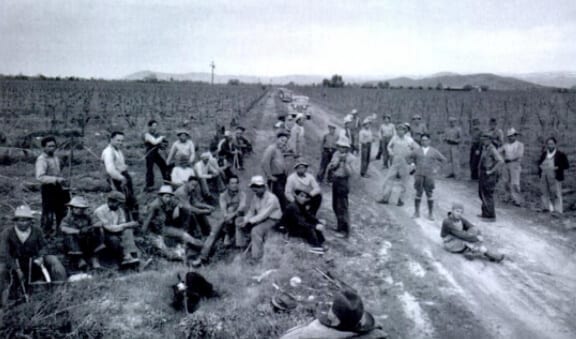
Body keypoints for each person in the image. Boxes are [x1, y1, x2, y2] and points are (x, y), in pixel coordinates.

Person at [0, 206, 67, 308]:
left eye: (26, 220)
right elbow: (4, 253)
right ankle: (7, 299)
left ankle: (60, 289)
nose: (23, 223)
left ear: (31, 221)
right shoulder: (7, 233)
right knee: (1, 269)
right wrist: (16, 268)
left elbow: (44, 246)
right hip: (14, 263)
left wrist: (40, 256)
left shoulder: (37, 231)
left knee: (53, 260)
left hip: (33, 261)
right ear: (15, 221)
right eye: (20, 220)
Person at [191, 175, 246, 267]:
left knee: (232, 212)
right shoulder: (223, 195)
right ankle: (202, 257)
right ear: (228, 184)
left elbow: (241, 208)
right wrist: (226, 217)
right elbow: (223, 209)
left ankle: (238, 252)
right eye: (232, 183)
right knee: (214, 231)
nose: (234, 185)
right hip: (226, 218)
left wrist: (230, 215)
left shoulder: (242, 194)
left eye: (236, 183)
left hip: (238, 216)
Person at [280, 289, 376, 339]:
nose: (330, 305)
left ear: (334, 318)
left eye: (332, 307)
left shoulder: (311, 333)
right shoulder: (373, 332)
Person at [142, 185, 204, 261]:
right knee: (166, 251)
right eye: (166, 196)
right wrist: (145, 236)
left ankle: (203, 247)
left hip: (166, 228)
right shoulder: (154, 206)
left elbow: (180, 204)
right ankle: (180, 256)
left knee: (185, 236)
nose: (168, 199)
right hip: (156, 232)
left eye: (169, 196)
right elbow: (146, 222)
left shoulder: (170, 201)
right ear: (161, 196)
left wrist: (178, 207)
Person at [236, 176, 282, 263]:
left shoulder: (272, 198)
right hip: (260, 219)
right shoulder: (255, 197)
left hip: (273, 221)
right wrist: (245, 219)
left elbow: (263, 215)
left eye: (258, 187)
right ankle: (241, 248)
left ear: (264, 187)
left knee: (256, 230)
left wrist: (249, 221)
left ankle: (256, 257)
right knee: (239, 221)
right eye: (254, 187)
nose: (255, 189)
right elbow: (251, 211)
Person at [94, 191, 140, 266]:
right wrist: (127, 225)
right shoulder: (100, 211)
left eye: (120, 204)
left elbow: (122, 223)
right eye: (118, 203)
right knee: (114, 239)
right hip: (103, 234)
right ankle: (124, 258)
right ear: (110, 201)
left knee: (128, 231)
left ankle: (133, 256)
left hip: (116, 231)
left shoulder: (119, 210)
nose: (119, 206)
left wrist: (128, 225)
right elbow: (109, 227)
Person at [35, 136, 70, 235]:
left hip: (58, 188)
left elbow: (57, 172)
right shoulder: (41, 160)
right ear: (43, 147)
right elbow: (40, 177)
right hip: (48, 188)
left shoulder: (55, 157)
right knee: (48, 212)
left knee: (62, 210)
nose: (52, 148)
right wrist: (56, 179)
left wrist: (62, 180)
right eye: (49, 146)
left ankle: (60, 231)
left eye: (54, 146)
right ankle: (46, 233)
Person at [377, 124, 418, 206]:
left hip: (404, 162)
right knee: (389, 179)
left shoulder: (409, 140)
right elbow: (389, 146)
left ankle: (400, 199)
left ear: (405, 131)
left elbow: (417, 149)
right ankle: (385, 198)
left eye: (402, 130)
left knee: (404, 181)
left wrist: (412, 160)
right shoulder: (394, 138)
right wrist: (391, 153)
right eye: (399, 130)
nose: (400, 131)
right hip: (395, 161)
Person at [60, 196, 106, 270]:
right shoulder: (67, 219)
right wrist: (78, 231)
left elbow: (99, 223)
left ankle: (94, 259)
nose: (79, 210)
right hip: (74, 243)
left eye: (82, 208)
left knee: (98, 231)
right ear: (72, 208)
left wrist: (90, 228)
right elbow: (63, 228)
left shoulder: (88, 216)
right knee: (69, 236)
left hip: (88, 241)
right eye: (77, 208)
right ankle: (79, 260)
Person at [101, 131, 138, 221]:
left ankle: (133, 222)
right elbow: (110, 170)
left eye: (122, 141)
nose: (120, 143)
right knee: (121, 201)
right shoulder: (108, 151)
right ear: (111, 139)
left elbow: (120, 164)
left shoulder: (118, 150)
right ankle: (122, 222)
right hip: (116, 180)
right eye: (118, 140)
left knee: (131, 200)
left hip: (123, 177)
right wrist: (121, 178)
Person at [409, 134, 447, 220]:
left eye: (426, 140)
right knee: (418, 192)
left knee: (429, 193)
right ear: (420, 141)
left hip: (429, 175)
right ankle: (416, 212)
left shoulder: (434, 151)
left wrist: (437, 169)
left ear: (429, 141)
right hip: (418, 174)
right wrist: (412, 165)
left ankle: (431, 214)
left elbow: (444, 160)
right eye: (422, 140)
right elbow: (409, 157)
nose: (424, 142)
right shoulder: (417, 151)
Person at [283, 189, 326, 253]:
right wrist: (315, 226)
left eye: (305, 197)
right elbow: (300, 222)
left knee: (313, 224)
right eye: (301, 196)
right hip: (290, 229)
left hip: (296, 225)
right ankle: (316, 247)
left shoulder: (300, 205)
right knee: (309, 228)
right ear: (296, 196)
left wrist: (318, 221)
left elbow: (308, 215)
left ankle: (320, 243)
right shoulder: (293, 207)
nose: (303, 198)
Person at [327, 136, 355, 238]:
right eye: (339, 146)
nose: (341, 148)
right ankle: (339, 226)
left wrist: (344, 162)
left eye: (343, 147)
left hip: (344, 182)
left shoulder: (351, 158)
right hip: (336, 180)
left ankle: (346, 230)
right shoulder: (336, 154)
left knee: (343, 206)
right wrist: (336, 163)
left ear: (347, 148)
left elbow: (350, 173)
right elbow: (331, 165)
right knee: (335, 205)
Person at [538, 137, 569, 214]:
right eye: (548, 144)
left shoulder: (560, 154)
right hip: (544, 175)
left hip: (555, 175)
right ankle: (545, 208)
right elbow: (539, 164)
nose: (550, 145)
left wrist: (558, 167)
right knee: (544, 192)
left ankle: (557, 210)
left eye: (551, 143)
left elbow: (566, 165)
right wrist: (540, 170)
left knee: (556, 193)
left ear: (555, 144)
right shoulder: (544, 154)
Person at [478, 131, 504, 221]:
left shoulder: (492, 149)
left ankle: (490, 215)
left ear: (490, 140)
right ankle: (485, 212)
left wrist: (491, 171)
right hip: (483, 173)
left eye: (486, 139)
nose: (484, 140)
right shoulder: (485, 148)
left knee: (488, 193)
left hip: (489, 174)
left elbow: (501, 161)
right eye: (483, 139)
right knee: (481, 193)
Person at [261, 130, 289, 210]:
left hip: (282, 177)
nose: (283, 143)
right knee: (280, 197)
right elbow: (264, 163)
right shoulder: (271, 148)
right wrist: (270, 176)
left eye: (285, 142)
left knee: (285, 196)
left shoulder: (280, 150)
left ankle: (284, 214)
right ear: (277, 139)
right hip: (275, 178)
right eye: (282, 140)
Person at [500, 128, 525, 206]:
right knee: (505, 182)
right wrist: (502, 158)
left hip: (515, 164)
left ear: (515, 136)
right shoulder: (506, 145)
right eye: (509, 136)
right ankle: (507, 197)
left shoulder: (520, 145)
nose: (511, 137)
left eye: (512, 136)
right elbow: (498, 151)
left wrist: (509, 158)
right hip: (506, 164)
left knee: (515, 183)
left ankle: (517, 200)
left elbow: (519, 155)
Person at [143, 120, 169, 191]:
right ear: (149, 126)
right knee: (150, 170)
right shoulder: (147, 134)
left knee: (163, 165)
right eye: (153, 126)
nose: (155, 127)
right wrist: (162, 137)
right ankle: (149, 185)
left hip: (155, 153)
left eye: (156, 126)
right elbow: (154, 142)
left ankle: (167, 182)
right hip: (149, 154)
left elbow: (160, 144)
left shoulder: (157, 135)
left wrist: (164, 144)